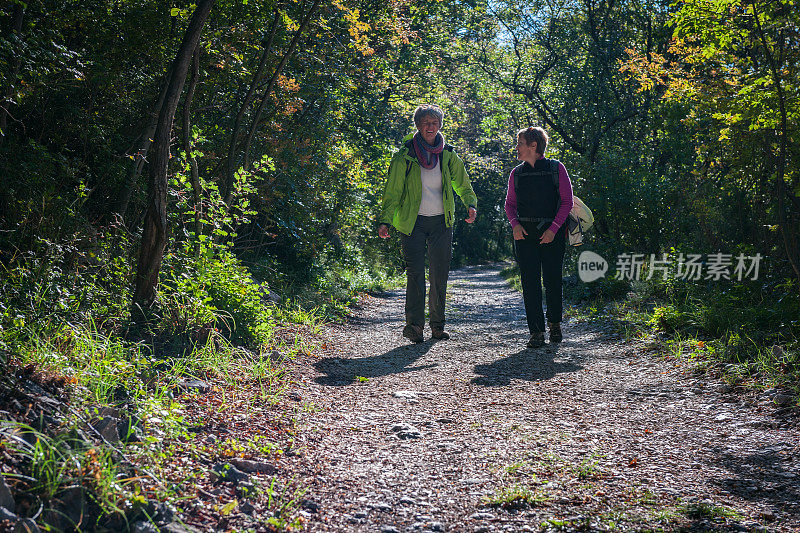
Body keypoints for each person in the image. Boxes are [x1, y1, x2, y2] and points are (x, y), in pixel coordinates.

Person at [378, 104, 478, 343]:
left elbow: (462, 184)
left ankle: (437, 326)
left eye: (434, 122)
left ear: (440, 125)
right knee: (415, 274)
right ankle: (414, 327)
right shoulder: (405, 155)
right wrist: (385, 220)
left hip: (442, 222)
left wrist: (470, 204)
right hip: (411, 223)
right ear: (418, 126)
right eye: (426, 123)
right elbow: (393, 190)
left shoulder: (448, 154)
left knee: (439, 275)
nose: (430, 127)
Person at [504, 126, 573, 348]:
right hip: (524, 236)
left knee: (552, 281)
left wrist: (553, 229)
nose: (517, 148)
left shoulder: (556, 169)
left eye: (520, 143)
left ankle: (554, 324)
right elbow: (510, 204)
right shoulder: (517, 174)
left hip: (552, 235)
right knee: (529, 283)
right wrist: (515, 225)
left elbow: (566, 202)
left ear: (533, 145)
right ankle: (536, 332)